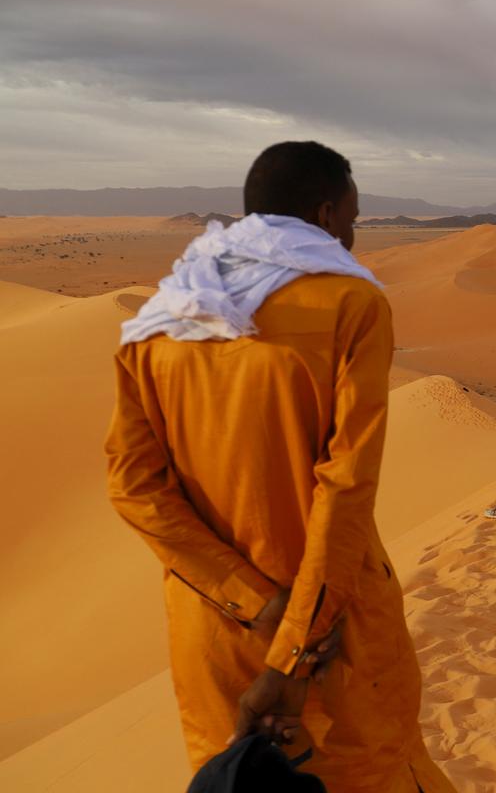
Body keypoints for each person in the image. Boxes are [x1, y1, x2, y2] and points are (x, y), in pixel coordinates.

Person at [104, 141, 456, 791]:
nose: (351, 237)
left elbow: (132, 488)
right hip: (330, 641)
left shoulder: (159, 322)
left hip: (212, 633)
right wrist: (293, 648)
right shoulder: (352, 306)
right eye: (351, 220)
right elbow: (345, 488)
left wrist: (249, 600)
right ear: (325, 215)